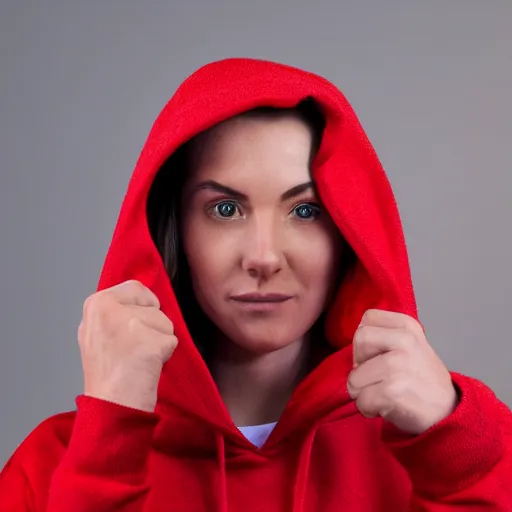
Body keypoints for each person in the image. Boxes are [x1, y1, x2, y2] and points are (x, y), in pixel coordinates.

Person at [0, 57, 510, 511]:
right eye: (225, 209)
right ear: (173, 232)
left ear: (350, 235)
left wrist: (461, 451)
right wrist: (110, 437)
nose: (263, 257)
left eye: (305, 210)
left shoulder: (442, 447)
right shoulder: (55, 464)